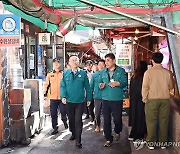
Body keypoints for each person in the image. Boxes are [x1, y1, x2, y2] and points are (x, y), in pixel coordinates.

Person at [142, 52, 173, 150]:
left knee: (151, 122)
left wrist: (144, 98)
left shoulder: (148, 72)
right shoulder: (167, 73)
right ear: (162, 60)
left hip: (152, 100)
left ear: (152, 61)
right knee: (164, 121)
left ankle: (151, 143)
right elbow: (171, 86)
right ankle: (163, 143)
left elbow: (145, 87)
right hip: (165, 100)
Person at [60, 56, 92, 149]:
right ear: (69, 63)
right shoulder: (66, 73)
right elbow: (62, 86)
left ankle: (78, 140)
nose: (74, 62)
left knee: (78, 120)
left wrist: (89, 98)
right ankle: (73, 133)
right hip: (69, 101)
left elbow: (87, 87)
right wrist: (63, 96)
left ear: (79, 62)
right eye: (72, 60)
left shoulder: (83, 73)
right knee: (71, 120)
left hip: (80, 101)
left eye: (76, 60)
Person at [99, 53, 128, 147]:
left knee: (117, 119)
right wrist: (101, 85)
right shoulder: (103, 72)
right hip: (105, 99)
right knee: (106, 120)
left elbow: (125, 83)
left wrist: (118, 83)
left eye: (108, 60)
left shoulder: (121, 71)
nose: (106, 63)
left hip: (117, 99)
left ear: (114, 61)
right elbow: (99, 83)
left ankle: (117, 130)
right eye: (105, 60)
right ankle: (108, 139)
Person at [44, 58, 68, 135]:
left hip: (62, 97)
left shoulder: (63, 74)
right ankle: (55, 127)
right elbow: (46, 85)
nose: (56, 65)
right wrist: (45, 95)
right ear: (53, 65)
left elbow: (67, 85)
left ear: (60, 64)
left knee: (63, 112)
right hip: (53, 97)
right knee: (53, 113)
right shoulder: (50, 75)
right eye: (54, 64)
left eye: (57, 63)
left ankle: (64, 121)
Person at [128, 61, 147, 143]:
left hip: (133, 99)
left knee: (134, 116)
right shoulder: (143, 77)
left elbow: (130, 89)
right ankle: (138, 137)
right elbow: (142, 90)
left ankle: (132, 134)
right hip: (140, 100)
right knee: (140, 117)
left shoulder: (134, 76)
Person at [90, 59, 105, 132]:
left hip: (106, 97)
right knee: (97, 113)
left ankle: (106, 128)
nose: (101, 66)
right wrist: (89, 97)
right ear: (97, 66)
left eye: (103, 64)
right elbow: (91, 86)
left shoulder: (108, 74)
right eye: (100, 65)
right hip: (97, 97)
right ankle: (97, 125)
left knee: (106, 114)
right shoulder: (94, 75)